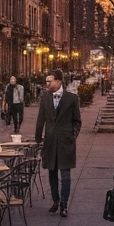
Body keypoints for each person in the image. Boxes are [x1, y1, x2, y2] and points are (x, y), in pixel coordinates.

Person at [34, 69, 81, 216]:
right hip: (49, 141)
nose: (47, 83)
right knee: (52, 173)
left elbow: (77, 121)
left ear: (59, 81)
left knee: (65, 175)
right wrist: (38, 140)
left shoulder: (72, 99)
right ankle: (55, 201)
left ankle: (64, 204)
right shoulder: (45, 98)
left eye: (50, 81)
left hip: (66, 142)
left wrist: (72, 136)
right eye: (46, 81)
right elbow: (40, 120)